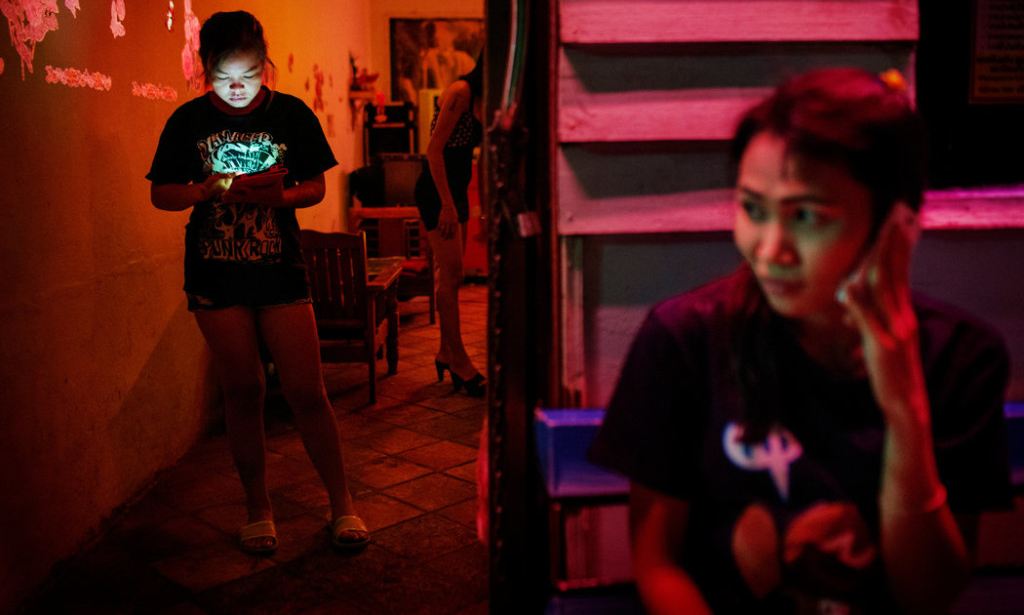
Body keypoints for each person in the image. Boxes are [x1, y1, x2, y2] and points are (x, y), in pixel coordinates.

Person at [589, 68, 1013, 614]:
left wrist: (904, 407)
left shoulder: (961, 356)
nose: (770, 250)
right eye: (753, 210)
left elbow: (926, 594)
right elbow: (659, 563)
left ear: (897, 222)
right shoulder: (685, 339)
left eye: (806, 216)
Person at [146, 10, 369, 555]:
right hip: (214, 270)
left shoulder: (290, 113)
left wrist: (280, 197)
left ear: (264, 64)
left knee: (307, 391)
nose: (239, 88)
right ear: (206, 71)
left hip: (279, 268)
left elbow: (315, 186)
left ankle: (342, 505)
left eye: (250, 74)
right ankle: (258, 510)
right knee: (243, 390)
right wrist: (203, 190)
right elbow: (161, 193)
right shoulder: (186, 121)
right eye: (225, 78)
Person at [414, 54, 486, 397]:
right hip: (436, 189)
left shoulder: (488, 98)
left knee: (450, 275)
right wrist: (445, 204)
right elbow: (433, 150)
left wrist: (482, 210)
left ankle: (446, 352)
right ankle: (458, 359)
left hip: (455, 190)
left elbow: (486, 157)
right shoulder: (461, 90)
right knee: (454, 274)